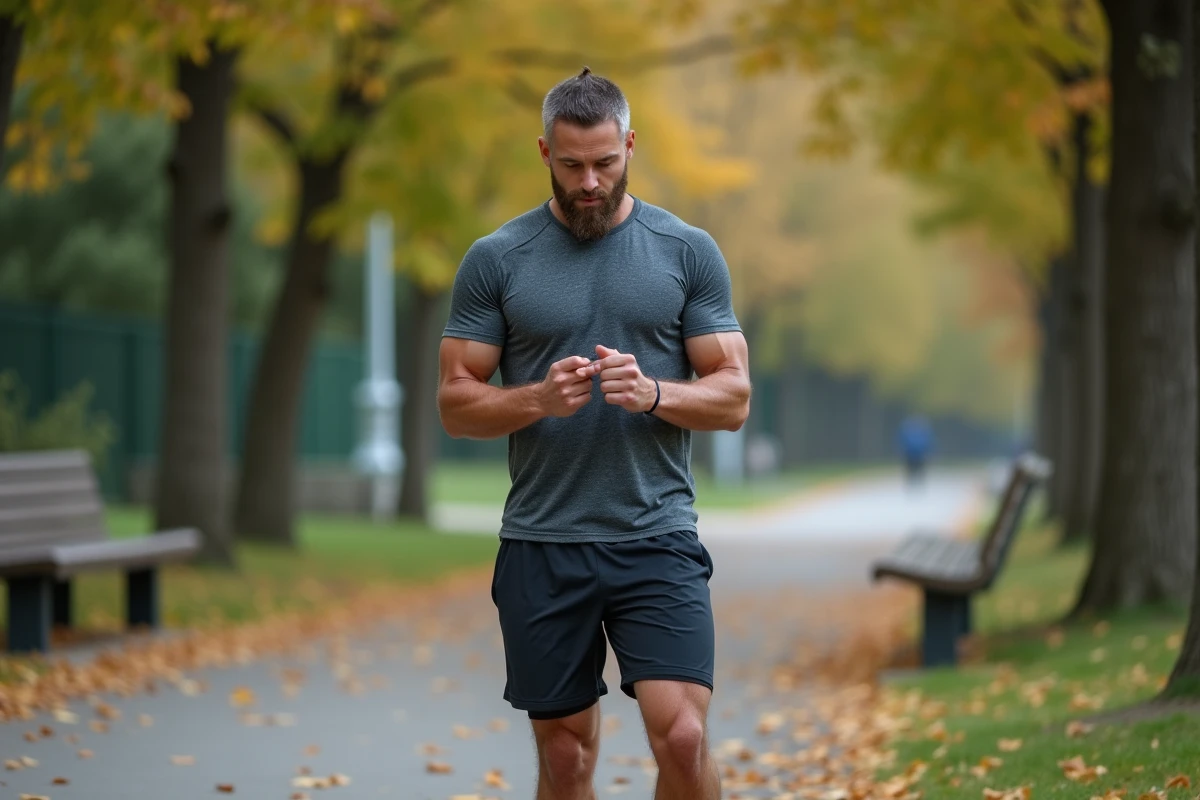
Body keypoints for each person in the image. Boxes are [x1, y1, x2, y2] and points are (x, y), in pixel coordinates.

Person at [436, 67, 751, 800]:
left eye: (605, 163)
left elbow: (732, 397)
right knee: (567, 757)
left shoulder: (686, 251)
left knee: (683, 736)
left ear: (630, 147)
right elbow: (456, 403)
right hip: (544, 541)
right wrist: (538, 399)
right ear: (544, 151)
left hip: (656, 535)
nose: (588, 182)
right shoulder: (497, 259)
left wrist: (653, 394)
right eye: (572, 164)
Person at [898, 414, 933, 488]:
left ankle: (916, 482)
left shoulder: (920, 432)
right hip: (912, 454)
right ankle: (913, 482)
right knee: (912, 469)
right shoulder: (921, 432)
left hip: (916, 454)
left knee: (918, 469)